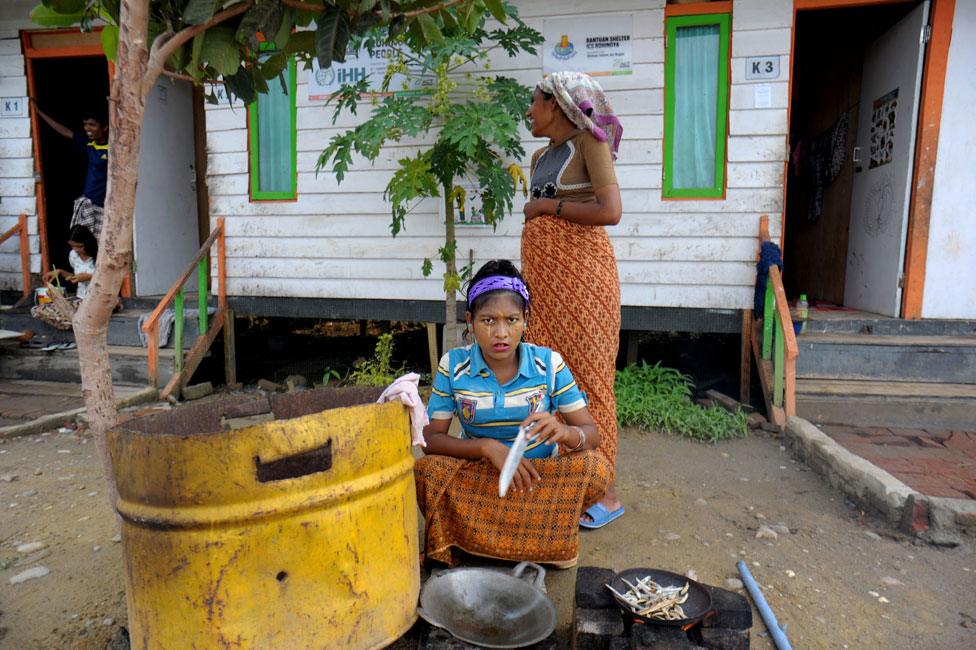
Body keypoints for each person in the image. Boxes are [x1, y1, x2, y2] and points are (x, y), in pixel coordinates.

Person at [414, 260, 612, 568]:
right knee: (426, 471)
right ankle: (539, 542)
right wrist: (486, 447)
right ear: (470, 320)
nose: (501, 333)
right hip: (480, 477)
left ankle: (480, 542)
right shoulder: (453, 365)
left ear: (526, 319)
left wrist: (566, 433)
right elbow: (430, 440)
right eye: (488, 320)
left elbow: (591, 436)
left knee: (597, 469)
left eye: (512, 319)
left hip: (538, 479)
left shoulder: (549, 364)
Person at [521, 71, 625, 529]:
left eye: (535, 103)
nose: (529, 111)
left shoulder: (590, 144)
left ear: (558, 104)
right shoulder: (541, 156)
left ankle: (607, 490)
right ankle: (568, 483)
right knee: (549, 377)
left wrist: (548, 208)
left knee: (591, 381)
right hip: (544, 287)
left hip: (584, 284)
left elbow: (611, 211)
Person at [30, 99, 109, 239]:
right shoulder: (89, 145)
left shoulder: (113, 149)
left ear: (105, 127)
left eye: (92, 124)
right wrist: (39, 113)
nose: (87, 128)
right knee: (82, 244)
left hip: (103, 206)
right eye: (85, 124)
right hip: (87, 204)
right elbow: (66, 132)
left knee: (99, 244)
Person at [30, 225, 97, 330]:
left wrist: (90, 277)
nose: (76, 249)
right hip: (80, 298)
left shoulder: (100, 256)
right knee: (37, 310)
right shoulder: (73, 255)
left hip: (97, 300)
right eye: (72, 246)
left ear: (88, 244)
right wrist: (60, 272)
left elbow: (110, 279)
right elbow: (74, 277)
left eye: (80, 246)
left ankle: (77, 325)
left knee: (71, 313)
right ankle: (77, 325)